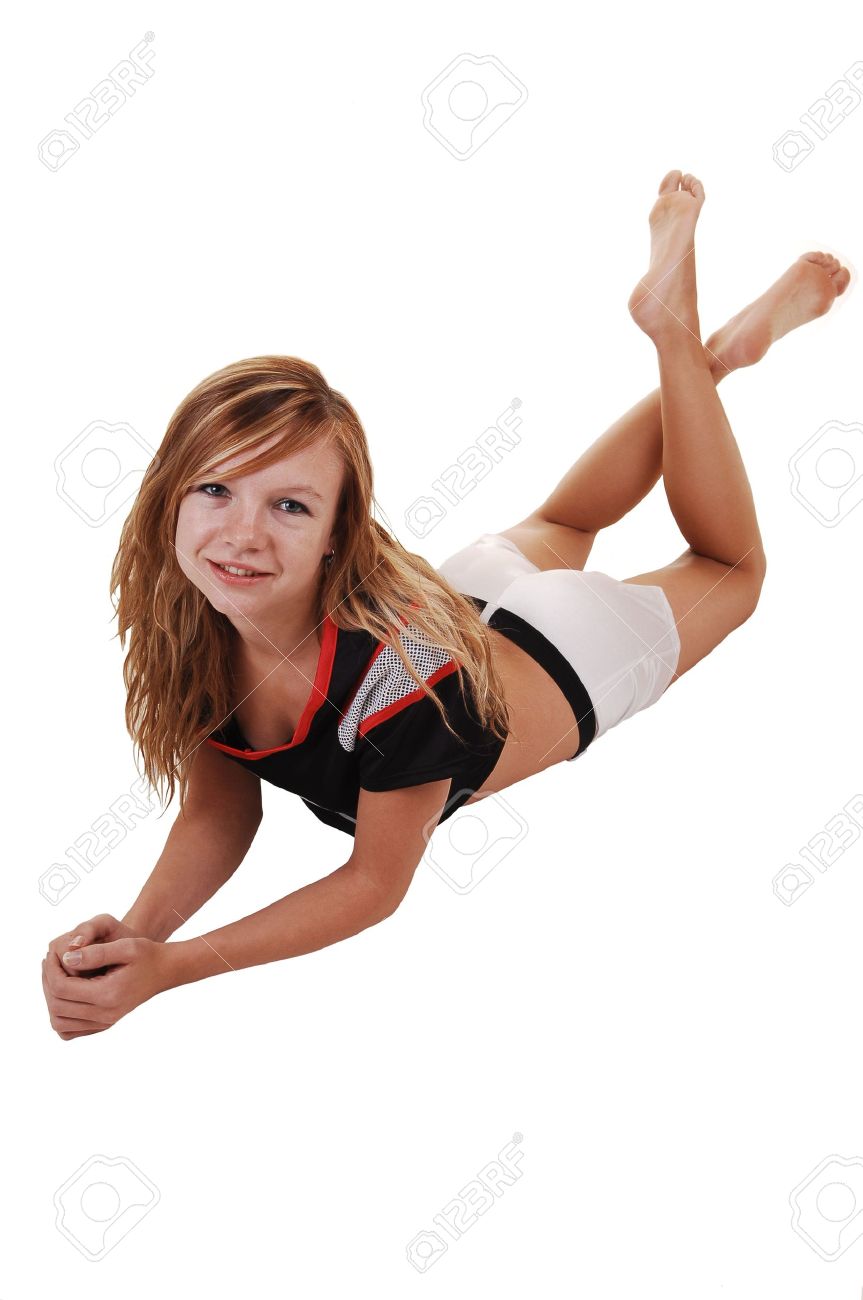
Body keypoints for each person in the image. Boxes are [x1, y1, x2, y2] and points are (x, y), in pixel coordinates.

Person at [42, 169, 851, 1040]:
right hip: (453, 603)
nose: (241, 534)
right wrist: (136, 937)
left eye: (289, 505)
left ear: (337, 533)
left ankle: (680, 346)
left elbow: (373, 884)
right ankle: (704, 359)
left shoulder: (400, 693)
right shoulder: (197, 629)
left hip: (558, 655)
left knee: (730, 570)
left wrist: (173, 971)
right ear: (167, 496)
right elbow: (220, 808)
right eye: (215, 490)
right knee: (563, 518)